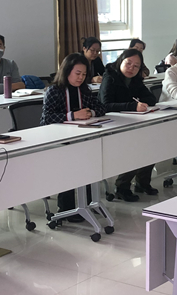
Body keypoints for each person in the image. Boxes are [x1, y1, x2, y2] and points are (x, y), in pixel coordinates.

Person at [40, 53, 106, 221]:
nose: (81, 78)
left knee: (89, 166)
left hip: (82, 137)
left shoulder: (85, 90)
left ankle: (90, 203)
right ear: (67, 71)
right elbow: (46, 119)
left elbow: (101, 108)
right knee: (69, 169)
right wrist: (73, 115)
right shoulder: (54, 91)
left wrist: (90, 112)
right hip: (60, 141)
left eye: (84, 74)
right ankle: (66, 208)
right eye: (77, 73)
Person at [99, 49, 158, 200]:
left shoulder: (136, 80)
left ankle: (142, 182)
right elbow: (105, 105)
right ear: (121, 61)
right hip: (111, 124)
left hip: (131, 122)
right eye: (128, 63)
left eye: (136, 66)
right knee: (135, 147)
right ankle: (122, 187)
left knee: (152, 143)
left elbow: (151, 98)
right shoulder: (110, 77)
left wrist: (142, 102)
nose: (131, 68)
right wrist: (132, 106)